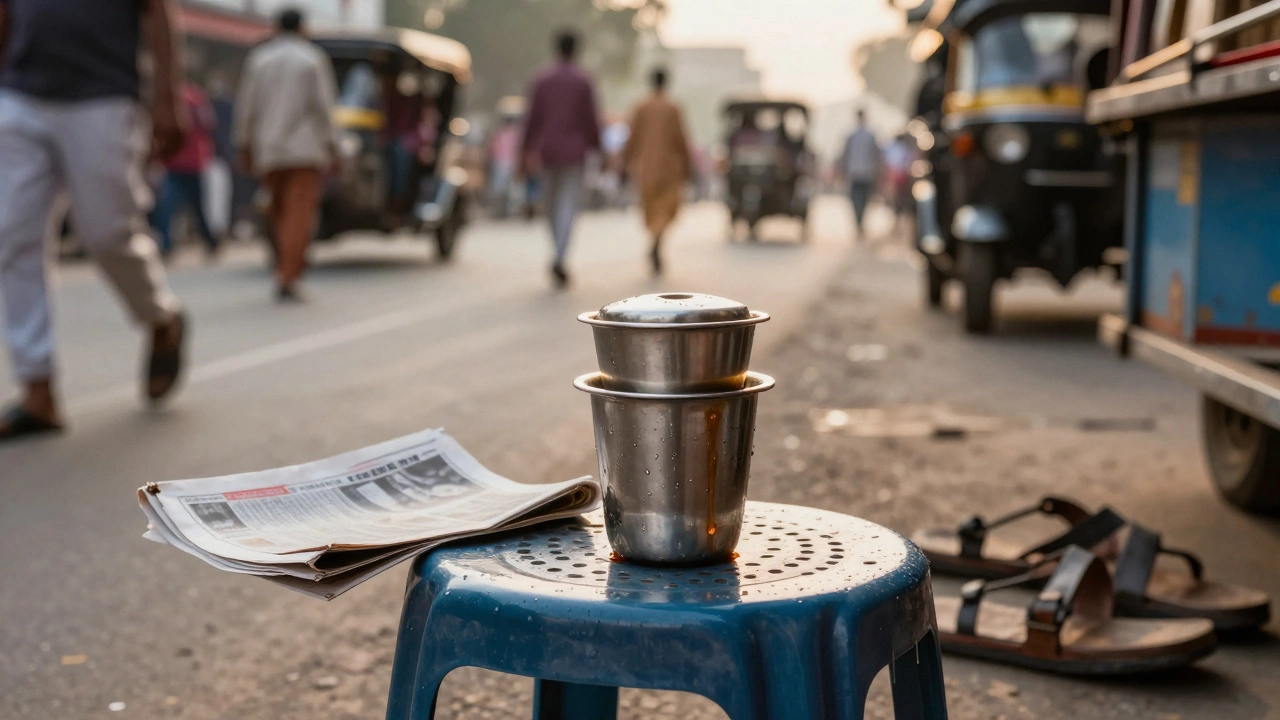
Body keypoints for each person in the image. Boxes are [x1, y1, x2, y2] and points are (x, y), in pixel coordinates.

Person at [0, 0, 190, 442]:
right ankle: (37, 389)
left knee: (107, 232)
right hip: (20, 92)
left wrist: (167, 96)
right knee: (11, 235)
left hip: (102, 95)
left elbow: (159, 11)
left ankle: (161, 316)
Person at [233, 7, 337, 302]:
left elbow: (246, 107)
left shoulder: (259, 59)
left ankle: (286, 268)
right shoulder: (312, 59)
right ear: (302, 28)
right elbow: (323, 107)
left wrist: (244, 144)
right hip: (304, 150)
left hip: (269, 149)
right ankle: (288, 274)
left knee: (278, 212)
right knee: (297, 215)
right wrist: (334, 145)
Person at [521, 30, 602, 288]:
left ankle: (557, 252)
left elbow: (531, 121)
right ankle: (560, 254)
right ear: (575, 49)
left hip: (548, 152)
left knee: (551, 205)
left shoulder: (542, 80)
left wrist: (524, 152)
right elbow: (592, 121)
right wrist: (599, 149)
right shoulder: (584, 81)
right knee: (567, 205)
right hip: (575, 153)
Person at [623, 68, 692, 275]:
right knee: (666, 210)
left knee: (651, 210)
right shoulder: (673, 108)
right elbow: (681, 140)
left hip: (645, 169)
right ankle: (657, 240)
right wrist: (689, 166)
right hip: (670, 169)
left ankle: (654, 238)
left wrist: (624, 163)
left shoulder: (640, 107)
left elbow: (632, 139)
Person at [153, 80, 220, 259]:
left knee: (193, 207)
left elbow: (208, 124)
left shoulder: (193, 98)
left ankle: (210, 241)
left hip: (190, 163)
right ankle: (166, 245)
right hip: (176, 163)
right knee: (169, 206)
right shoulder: (177, 99)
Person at [839, 109, 881, 239]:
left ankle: (859, 222)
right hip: (865, 173)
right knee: (862, 200)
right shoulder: (869, 136)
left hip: (857, 173)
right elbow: (877, 155)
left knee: (857, 200)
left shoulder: (852, 136)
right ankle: (859, 223)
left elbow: (844, 156)